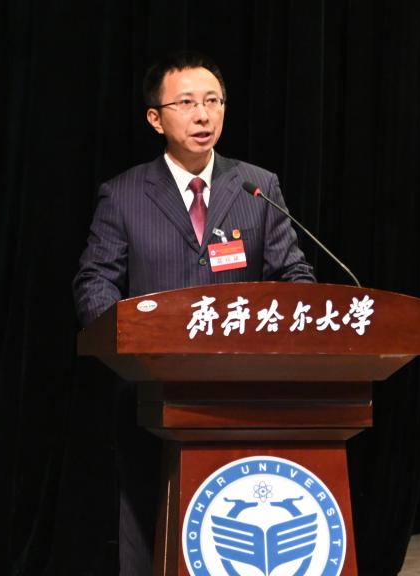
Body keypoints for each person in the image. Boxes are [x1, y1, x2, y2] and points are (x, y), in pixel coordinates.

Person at [72, 51, 315, 574]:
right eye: (185, 103)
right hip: (151, 390)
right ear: (155, 118)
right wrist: (128, 343)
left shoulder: (258, 187)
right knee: (151, 522)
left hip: (243, 391)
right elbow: (94, 282)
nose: (203, 115)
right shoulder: (124, 194)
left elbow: (295, 275)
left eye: (213, 101)